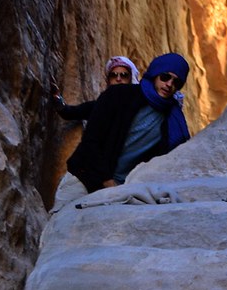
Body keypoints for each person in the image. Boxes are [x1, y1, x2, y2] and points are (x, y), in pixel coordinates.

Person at [53, 53, 191, 208]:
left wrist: (119, 189)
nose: (169, 84)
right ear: (155, 75)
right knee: (60, 223)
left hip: (123, 189)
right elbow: (91, 141)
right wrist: (108, 182)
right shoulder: (118, 95)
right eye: (165, 77)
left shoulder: (172, 121)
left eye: (176, 82)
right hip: (85, 176)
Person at [51, 56, 140, 121]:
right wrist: (57, 99)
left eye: (124, 75)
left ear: (131, 79)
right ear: (108, 80)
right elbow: (70, 112)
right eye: (113, 75)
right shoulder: (102, 105)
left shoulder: (139, 106)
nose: (118, 79)